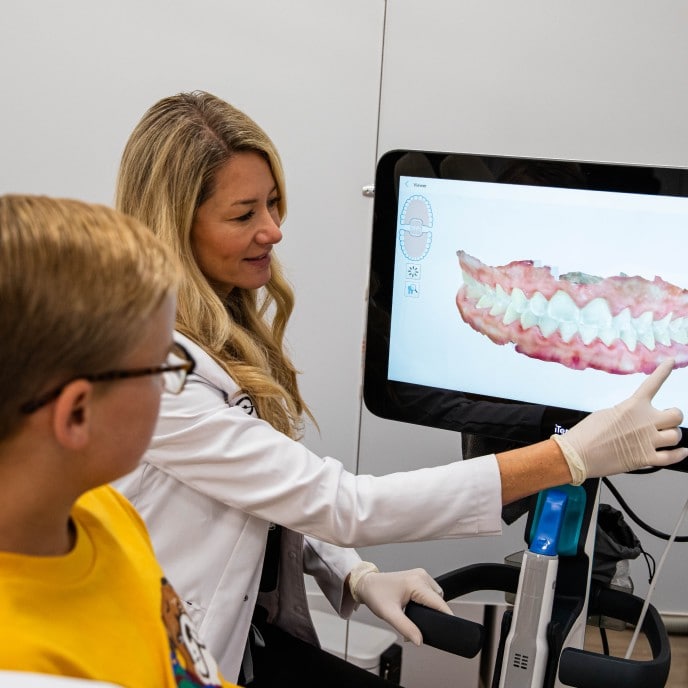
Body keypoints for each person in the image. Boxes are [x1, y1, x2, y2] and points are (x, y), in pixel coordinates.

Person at [113, 90, 688, 686]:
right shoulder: (155, 377)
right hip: (164, 660)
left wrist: (354, 575)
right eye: (244, 214)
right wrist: (567, 457)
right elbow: (342, 503)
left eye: (275, 203)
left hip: (236, 637)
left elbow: (268, 490)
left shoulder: (214, 328)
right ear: (175, 227)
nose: (274, 230)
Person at [0, 194, 238, 688]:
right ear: (78, 413)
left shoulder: (104, 511)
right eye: (162, 366)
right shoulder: (22, 662)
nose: (173, 382)